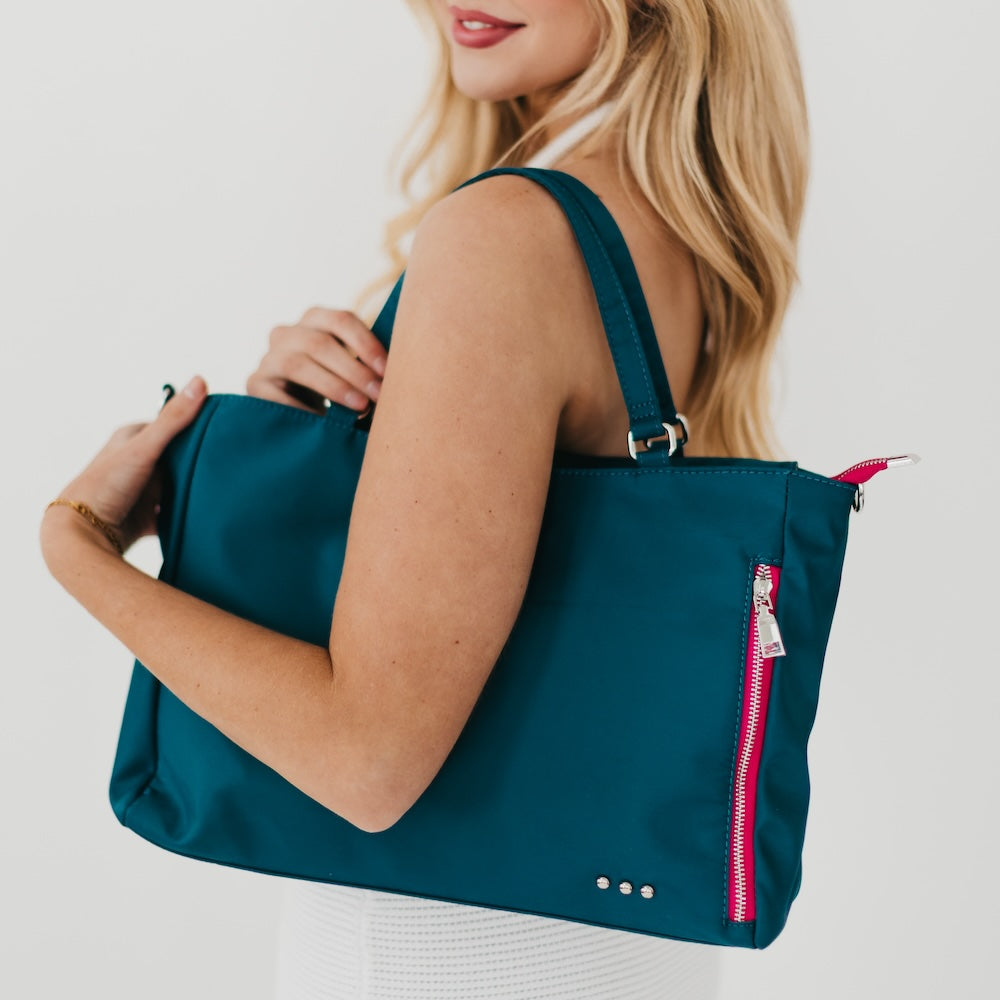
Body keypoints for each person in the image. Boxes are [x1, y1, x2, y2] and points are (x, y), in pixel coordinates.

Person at [40, 1, 809, 996]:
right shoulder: (672, 226)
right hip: (621, 952)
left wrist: (77, 547)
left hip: (438, 960)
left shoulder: (504, 236)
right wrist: (301, 456)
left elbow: (367, 763)